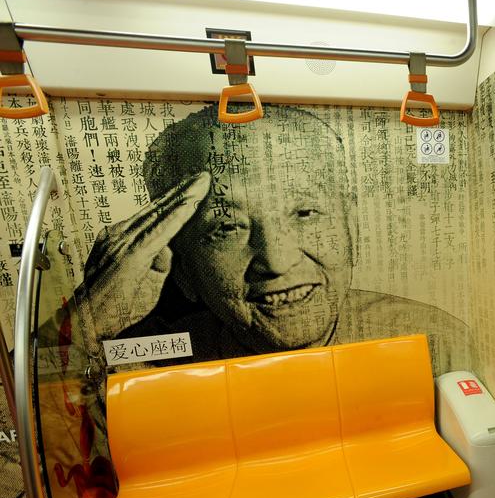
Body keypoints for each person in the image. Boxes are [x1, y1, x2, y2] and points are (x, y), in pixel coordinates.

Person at [74, 104, 469, 374]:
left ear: (352, 227)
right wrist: (82, 328)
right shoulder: (147, 356)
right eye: (227, 227)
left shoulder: (431, 340)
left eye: (306, 213)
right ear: (183, 269)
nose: (277, 260)